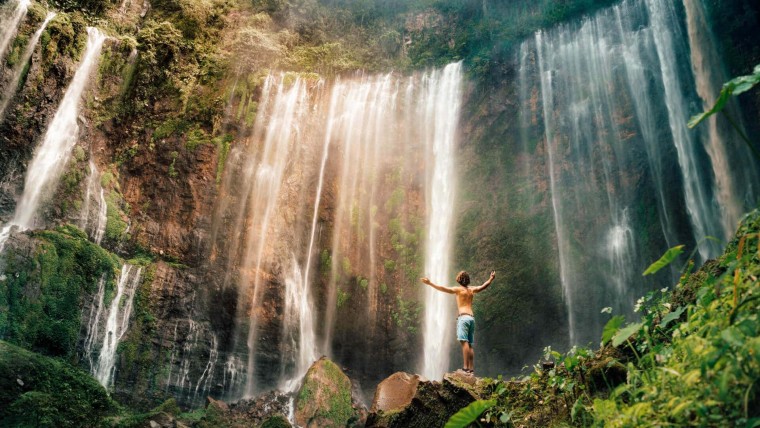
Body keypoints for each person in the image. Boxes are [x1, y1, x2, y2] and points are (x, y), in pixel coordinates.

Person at [421, 270, 496, 375]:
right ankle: (471, 369)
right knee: (469, 344)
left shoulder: (458, 290)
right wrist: (491, 278)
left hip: (463, 318)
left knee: (464, 342)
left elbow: (443, 288)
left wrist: (430, 283)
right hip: (471, 318)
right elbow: (483, 286)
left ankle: (465, 368)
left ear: (459, 280)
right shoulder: (471, 290)